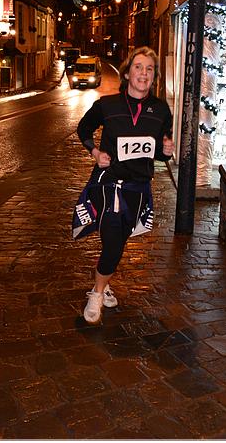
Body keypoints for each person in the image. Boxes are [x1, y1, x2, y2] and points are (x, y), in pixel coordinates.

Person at [74, 46, 174, 324]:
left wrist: (166, 150)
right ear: (128, 73)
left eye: (149, 69)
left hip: (138, 187)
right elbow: (83, 129)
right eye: (139, 67)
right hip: (107, 184)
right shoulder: (107, 105)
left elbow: (156, 151)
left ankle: (104, 284)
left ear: (154, 77)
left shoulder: (161, 111)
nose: (144, 73)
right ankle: (96, 293)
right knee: (115, 237)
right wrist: (95, 152)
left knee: (115, 241)